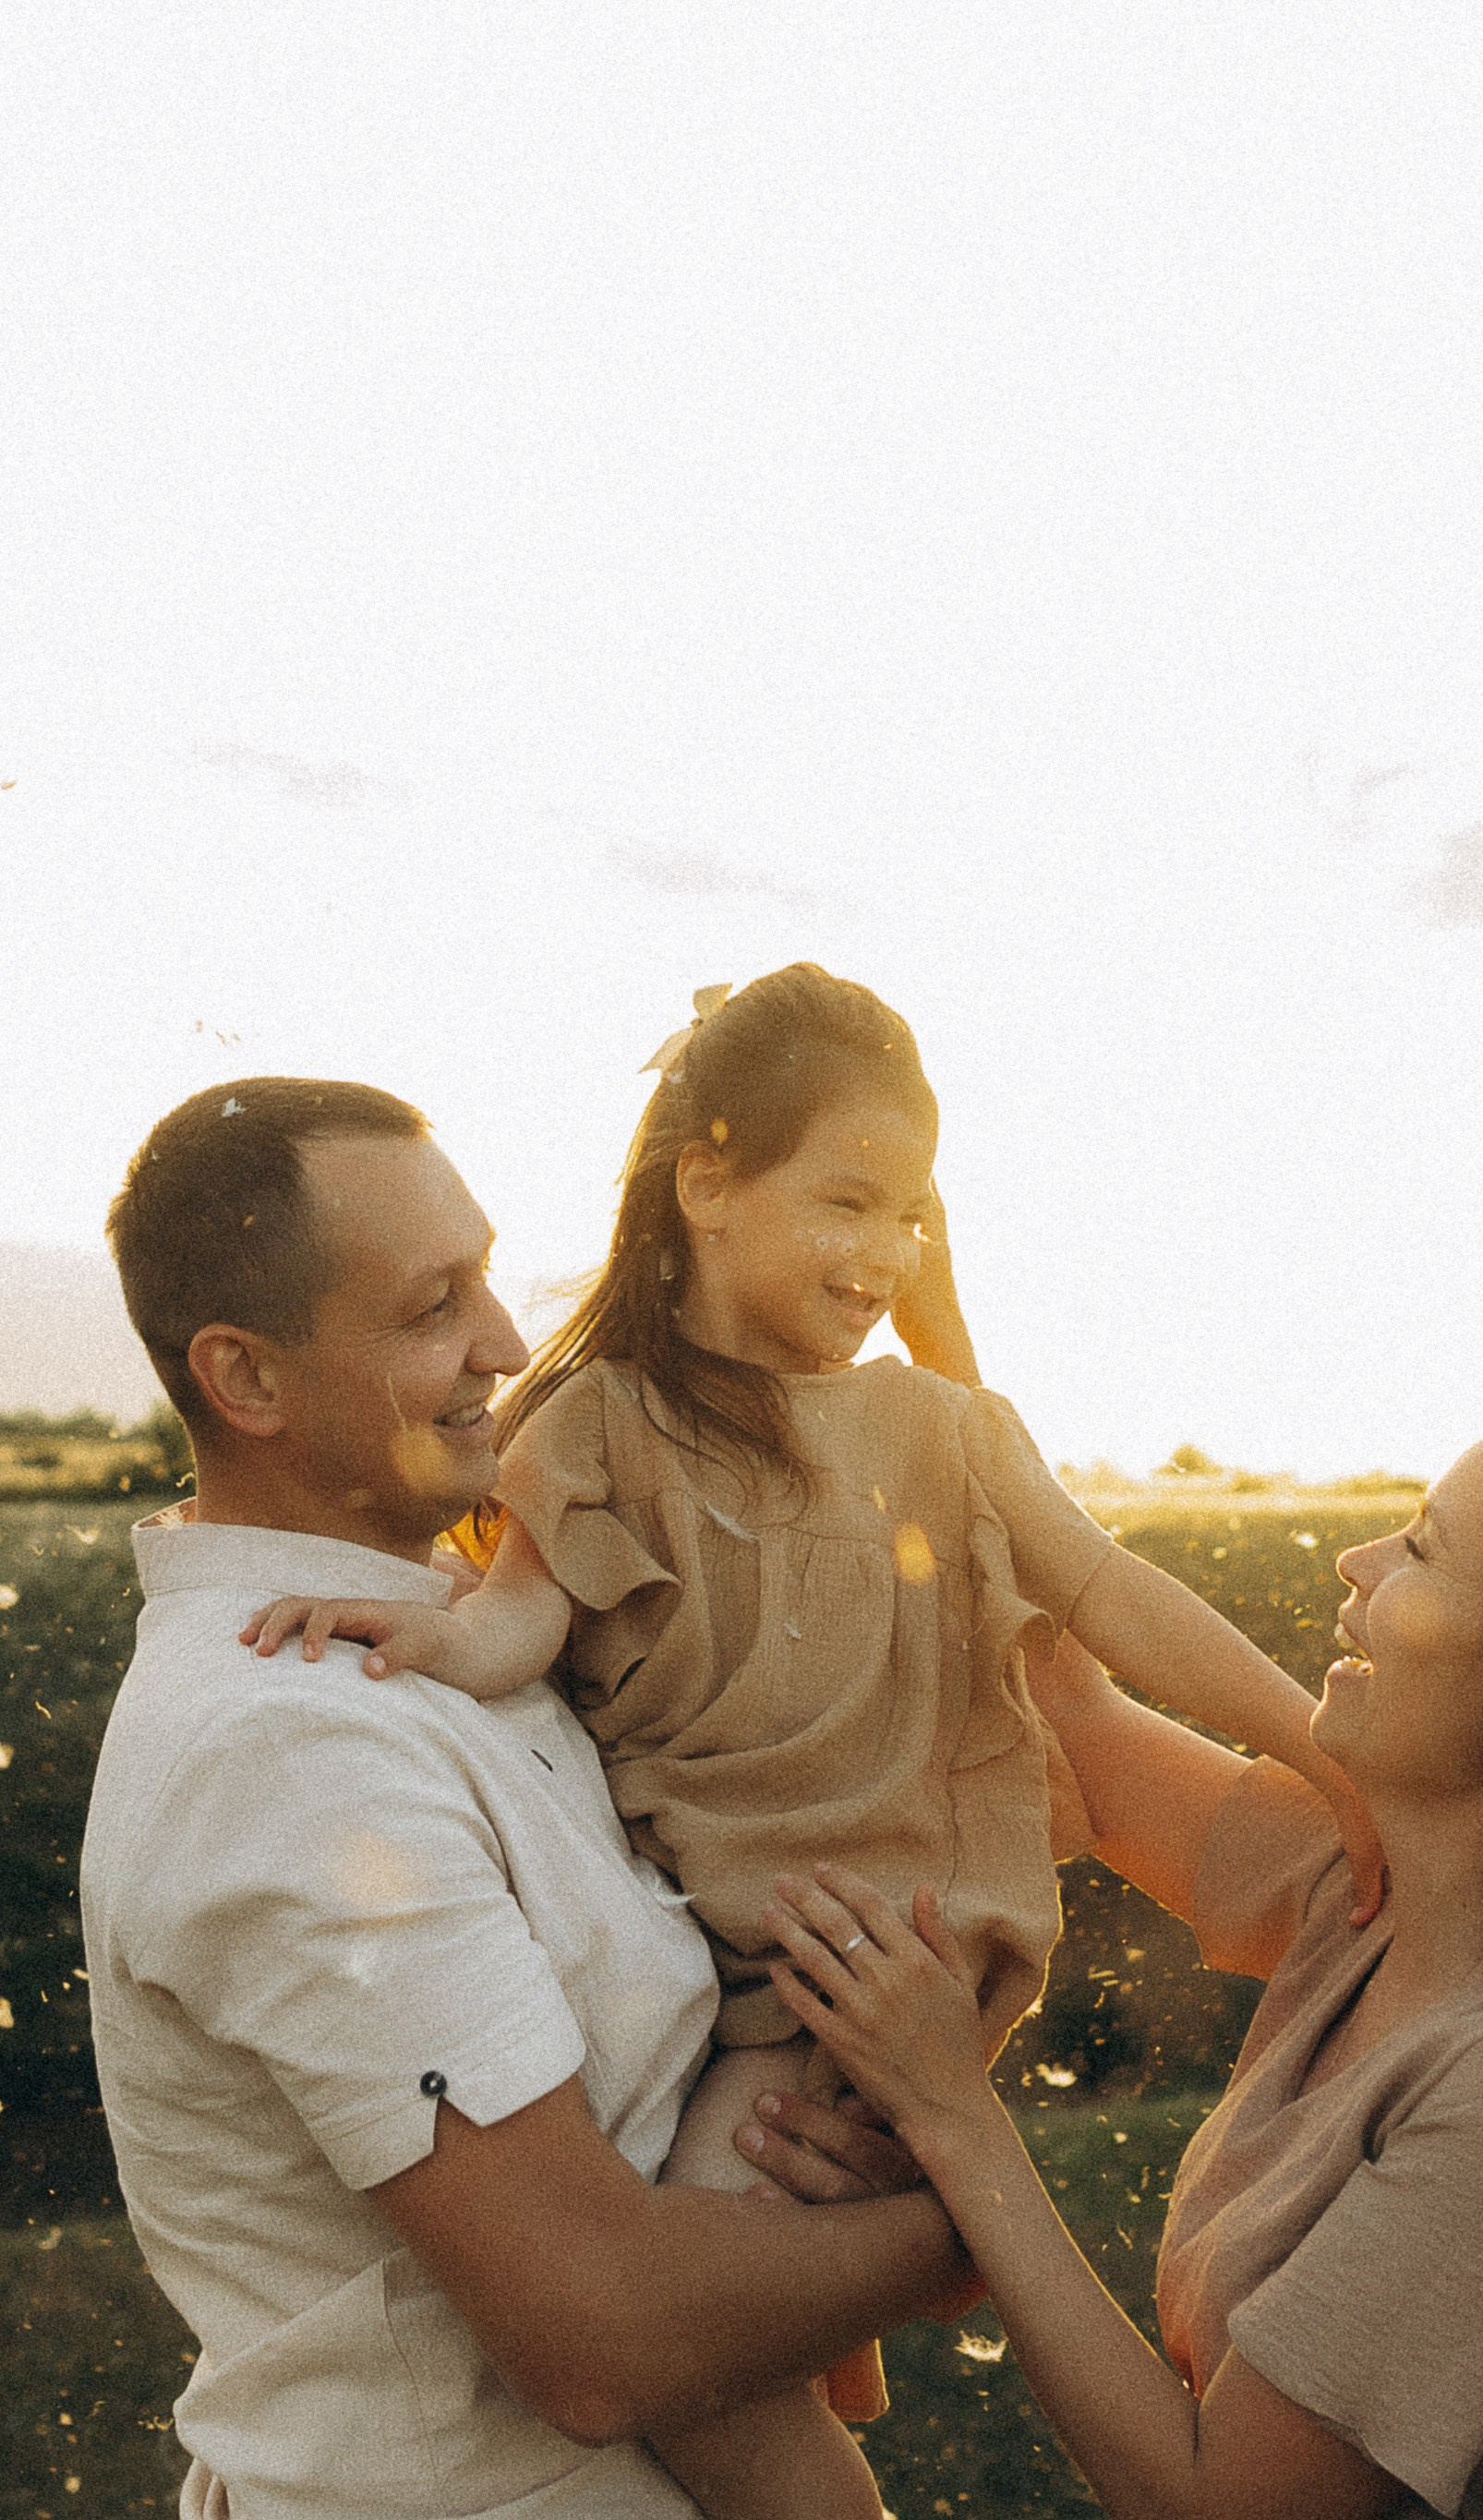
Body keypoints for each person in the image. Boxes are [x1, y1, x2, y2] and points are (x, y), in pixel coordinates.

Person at [238, 963, 1383, 2516]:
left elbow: (1118, 1599)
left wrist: (1319, 1749)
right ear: (707, 1183)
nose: (886, 1252)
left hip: (862, 1957)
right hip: (742, 1963)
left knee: (688, 2364)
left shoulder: (945, 1431)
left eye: (912, 1216)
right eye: (848, 1201)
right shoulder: (596, 1423)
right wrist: (414, 1634)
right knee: (716, 2344)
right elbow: (518, 1618)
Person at [753, 1407, 1483, 2520]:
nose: (1354, 1560)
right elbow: (1074, 1716)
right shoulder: (1365, 1890)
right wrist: (930, 1340)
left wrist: (955, 2122)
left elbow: (1213, 2504)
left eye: (1419, 1548)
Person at [82, 1078, 974, 2520]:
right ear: (245, 1380)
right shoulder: (287, 1744)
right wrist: (962, 2214)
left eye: (486, 1276)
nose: (503, 1342)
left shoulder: (452, 1620)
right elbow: (604, 2333)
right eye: (431, 1306)